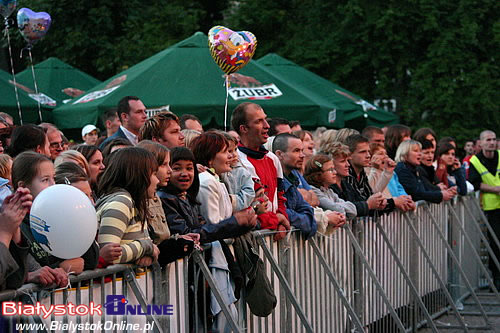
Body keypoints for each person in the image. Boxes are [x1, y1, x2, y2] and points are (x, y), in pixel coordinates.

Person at [190, 132, 256, 332]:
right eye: (225, 152)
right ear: (210, 157)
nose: (231, 156)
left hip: (221, 258)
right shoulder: (206, 182)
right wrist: (239, 223)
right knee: (222, 318)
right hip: (214, 260)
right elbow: (214, 225)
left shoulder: (215, 180)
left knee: (228, 317)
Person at [13, 152, 98, 274]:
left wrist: (76, 219)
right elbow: (23, 271)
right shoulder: (17, 225)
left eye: (53, 178)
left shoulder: (59, 213)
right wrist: (58, 269)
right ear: (23, 186)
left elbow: (90, 261)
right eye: (45, 180)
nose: (53, 185)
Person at [231, 102, 290, 241]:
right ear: (244, 128)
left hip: (275, 238)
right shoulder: (236, 162)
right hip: (254, 240)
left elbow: (280, 197)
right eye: (259, 121)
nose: (267, 126)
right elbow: (250, 209)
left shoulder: (272, 158)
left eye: (265, 119)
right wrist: (278, 220)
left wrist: (282, 222)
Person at [137, 140, 199, 265]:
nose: (169, 170)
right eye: (164, 165)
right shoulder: (133, 201)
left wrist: (178, 240)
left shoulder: (156, 198)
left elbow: (162, 237)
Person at [96, 147, 159, 265]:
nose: (157, 180)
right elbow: (109, 256)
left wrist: (146, 254)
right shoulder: (121, 203)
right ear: (138, 175)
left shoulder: (134, 203)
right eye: (154, 174)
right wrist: (146, 246)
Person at [468, 130, 500, 289]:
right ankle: (497, 277)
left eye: (494, 139)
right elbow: (474, 183)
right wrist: (496, 189)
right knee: (495, 243)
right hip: (491, 208)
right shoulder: (475, 161)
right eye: (488, 139)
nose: (492, 142)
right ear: (481, 143)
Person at [272, 134, 317, 238]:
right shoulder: (273, 180)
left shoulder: (292, 180)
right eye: (296, 151)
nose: (302, 155)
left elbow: (310, 217)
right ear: (279, 154)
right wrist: (301, 219)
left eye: (302, 150)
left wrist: (293, 218)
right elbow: (278, 211)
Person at [329, 141, 386, 217]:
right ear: (331, 164)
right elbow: (341, 209)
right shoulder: (327, 186)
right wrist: (368, 205)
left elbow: (362, 202)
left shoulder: (346, 184)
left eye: (347, 160)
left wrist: (379, 204)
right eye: (343, 161)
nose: (348, 164)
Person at [304, 154, 357, 220]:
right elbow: (338, 210)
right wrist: (339, 206)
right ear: (318, 174)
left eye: (334, 169)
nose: (335, 172)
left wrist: (336, 205)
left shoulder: (330, 191)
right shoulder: (313, 191)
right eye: (330, 169)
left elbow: (353, 210)